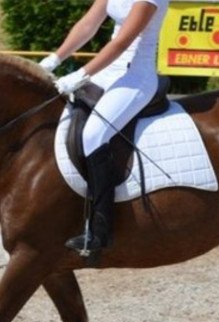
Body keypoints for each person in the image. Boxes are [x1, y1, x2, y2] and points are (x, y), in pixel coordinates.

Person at [39, 0, 169, 255]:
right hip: (107, 70)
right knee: (60, 118)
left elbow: (122, 41)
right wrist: (53, 60)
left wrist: (80, 75)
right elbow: (88, 24)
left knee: (93, 135)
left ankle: (101, 230)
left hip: (136, 75)